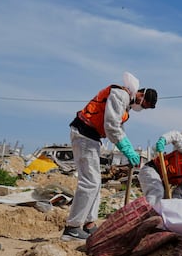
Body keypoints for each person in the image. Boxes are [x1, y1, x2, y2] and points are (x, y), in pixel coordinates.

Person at [61, 72, 157, 241]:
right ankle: (72, 228)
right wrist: (126, 149)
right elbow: (112, 127)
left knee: (96, 182)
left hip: (91, 137)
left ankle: (89, 223)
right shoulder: (120, 95)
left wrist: (128, 148)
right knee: (90, 182)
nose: (141, 108)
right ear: (140, 95)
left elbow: (118, 128)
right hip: (84, 134)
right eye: (144, 105)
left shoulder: (125, 102)